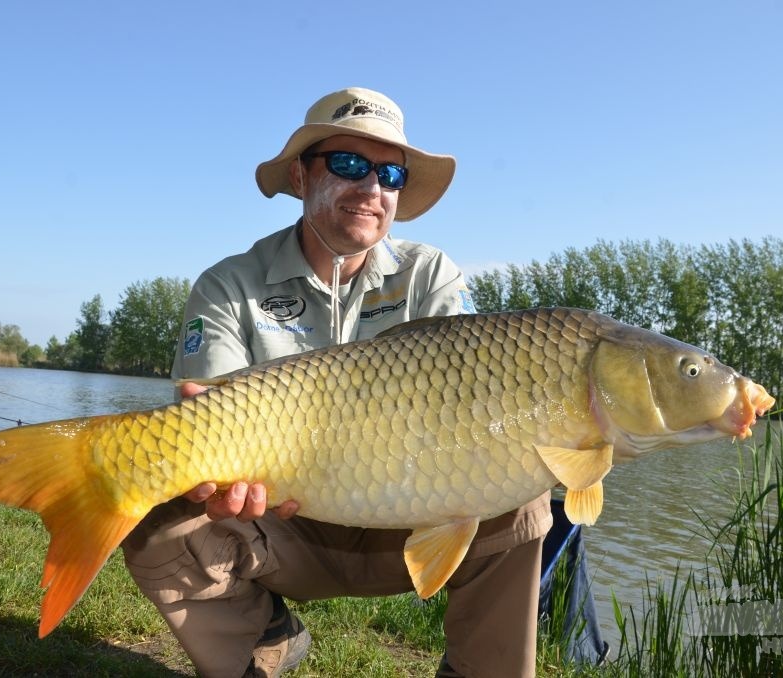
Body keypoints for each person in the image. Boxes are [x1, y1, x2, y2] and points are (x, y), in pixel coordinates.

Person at [121, 87, 554, 678]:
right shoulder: (229, 285)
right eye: (348, 165)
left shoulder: (430, 276)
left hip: (406, 512)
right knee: (155, 515)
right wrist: (214, 479)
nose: (371, 187)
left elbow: (475, 408)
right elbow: (206, 417)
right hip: (281, 524)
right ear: (300, 177)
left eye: (390, 172)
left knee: (520, 493)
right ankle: (257, 640)